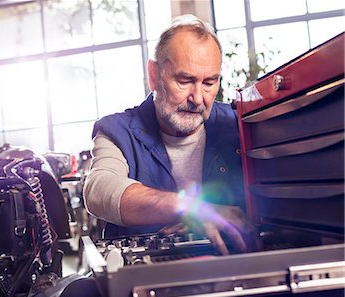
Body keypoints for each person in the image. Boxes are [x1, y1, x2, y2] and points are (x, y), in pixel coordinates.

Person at [83, 14, 253, 255]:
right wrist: (191, 208)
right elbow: (99, 190)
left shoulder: (238, 125)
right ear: (154, 75)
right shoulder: (117, 131)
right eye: (185, 80)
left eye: (209, 83)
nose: (197, 99)